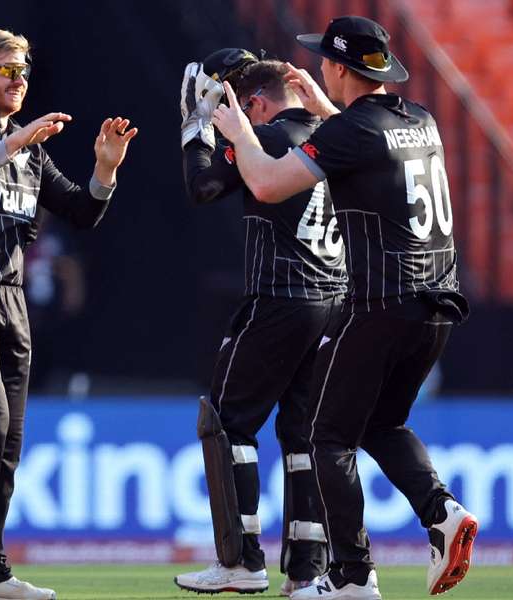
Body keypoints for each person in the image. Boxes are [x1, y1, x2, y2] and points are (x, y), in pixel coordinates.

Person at [211, 16, 477, 600]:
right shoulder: (419, 120)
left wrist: (238, 133)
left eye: (324, 63)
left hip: (381, 302)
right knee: (384, 422)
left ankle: (353, 576)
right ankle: (442, 511)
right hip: (438, 308)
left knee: (327, 436)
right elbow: (368, 142)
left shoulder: (350, 131)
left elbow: (267, 185)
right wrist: (326, 109)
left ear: (336, 68)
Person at [0, 29, 137, 600]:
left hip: (11, 305)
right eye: (6, 69)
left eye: (25, 71)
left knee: (8, 443)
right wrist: (13, 145)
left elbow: (81, 212)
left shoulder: (28, 146)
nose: (19, 80)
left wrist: (105, 169)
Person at [173, 53, 347, 596]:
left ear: (258, 103)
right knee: (304, 434)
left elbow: (203, 188)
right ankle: (308, 571)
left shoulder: (268, 136)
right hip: (338, 303)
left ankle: (240, 561)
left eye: (242, 107)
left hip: (280, 297)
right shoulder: (343, 138)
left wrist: (195, 127)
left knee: (226, 422)